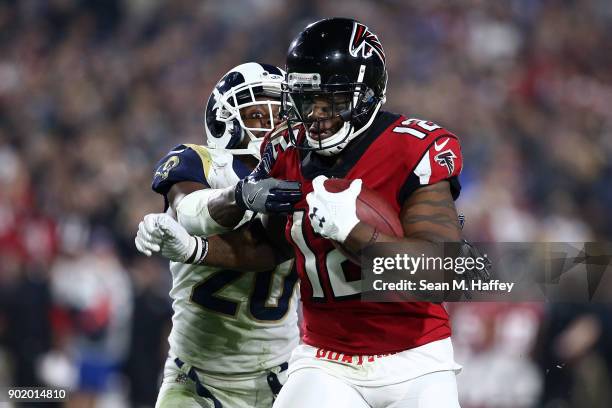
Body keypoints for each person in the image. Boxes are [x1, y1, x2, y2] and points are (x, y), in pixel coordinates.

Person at [139, 18, 464, 407]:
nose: (317, 115)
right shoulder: (286, 149)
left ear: (368, 95)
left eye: (334, 100)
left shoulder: (413, 149)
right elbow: (269, 248)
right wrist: (196, 250)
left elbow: (441, 273)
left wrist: (354, 232)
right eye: (308, 99)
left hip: (416, 358)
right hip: (326, 359)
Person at [135, 62, 300, 408]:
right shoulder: (202, 161)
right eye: (258, 115)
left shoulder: (304, 173)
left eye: (280, 116)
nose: (272, 128)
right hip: (197, 381)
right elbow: (190, 210)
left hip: (285, 378)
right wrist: (240, 195)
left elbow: (273, 247)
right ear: (225, 121)